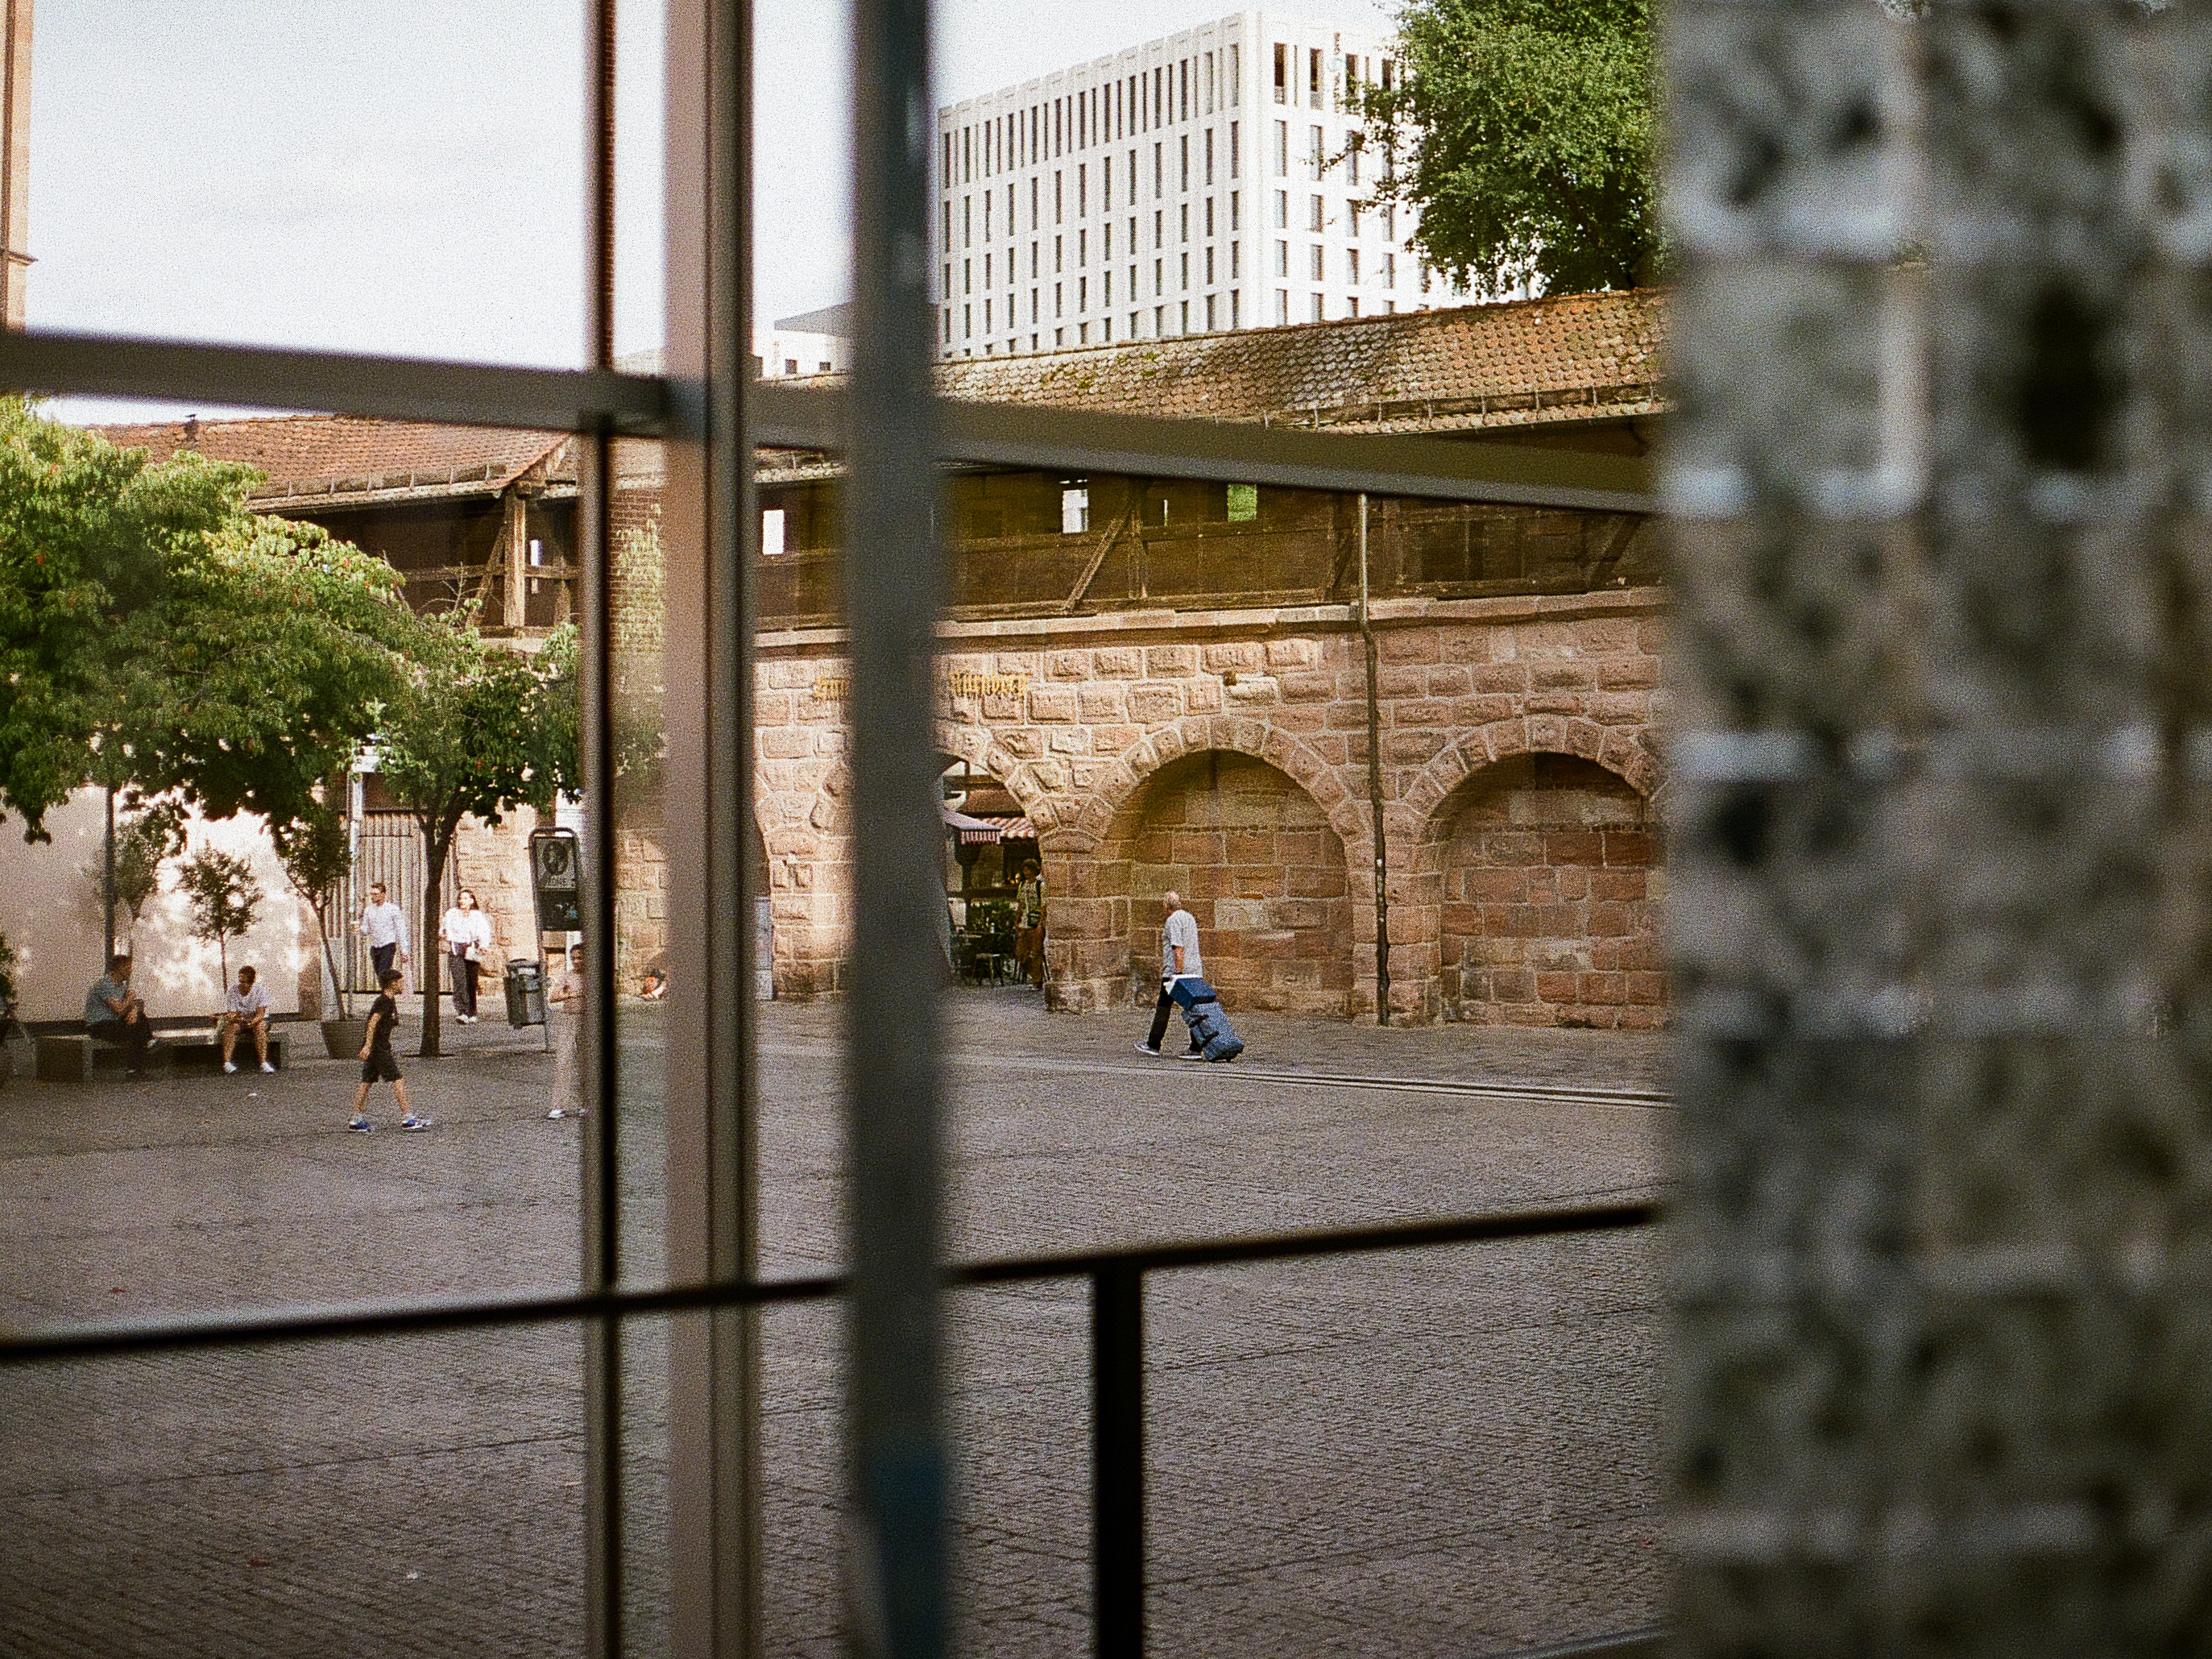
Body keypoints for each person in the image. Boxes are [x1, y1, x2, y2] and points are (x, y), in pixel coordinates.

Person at [349, 968, 428, 1132]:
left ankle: (356, 1119)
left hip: (378, 1047)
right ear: (392, 984)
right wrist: (368, 1045)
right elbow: (372, 1023)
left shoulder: (389, 1000)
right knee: (397, 1079)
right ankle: (408, 1118)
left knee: (366, 1082)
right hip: (379, 1049)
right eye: (401, 982)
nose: (403, 985)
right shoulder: (384, 1001)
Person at [1136, 891, 1206, 1059]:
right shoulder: (1190, 918)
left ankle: (1153, 1044)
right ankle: (1196, 1047)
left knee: (1163, 1006)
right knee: (1192, 1007)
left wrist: (1177, 973)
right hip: (1195, 970)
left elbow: (1177, 948)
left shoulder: (1173, 920)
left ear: (1166, 905)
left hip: (1176, 972)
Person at [85, 954, 157, 1075]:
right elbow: (118, 1009)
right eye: (128, 967)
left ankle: (137, 1062)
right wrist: (130, 998)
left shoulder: (121, 986)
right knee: (138, 1030)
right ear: (119, 968)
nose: (130, 970)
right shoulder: (104, 984)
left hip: (113, 1024)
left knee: (139, 1019)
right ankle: (136, 1064)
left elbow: (131, 1005)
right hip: (99, 1026)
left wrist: (134, 1011)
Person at [439, 887, 495, 1024]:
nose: (461, 901)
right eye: (460, 898)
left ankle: (472, 1011)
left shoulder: (477, 915)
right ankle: (462, 1011)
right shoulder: (452, 913)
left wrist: (483, 945)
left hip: (471, 949)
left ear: (471, 900)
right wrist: (442, 933)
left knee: (471, 981)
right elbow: (444, 927)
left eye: (465, 898)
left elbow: (484, 931)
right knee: (459, 981)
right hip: (455, 948)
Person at [548, 943, 586, 1116]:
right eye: (573, 958)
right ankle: (559, 1104)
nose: (576, 961)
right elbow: (554, 997)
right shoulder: (567, 977)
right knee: (564, 1061)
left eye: (580, 957)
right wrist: (571, 994)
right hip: (569, 1019)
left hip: (588, 1021)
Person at [218, 964, 274, 1074]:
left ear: (251, 983)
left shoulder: (261, 991)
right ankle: (227, 1063)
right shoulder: (232, 991)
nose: (241, 984)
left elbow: (260, 1014)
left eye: (244, 982)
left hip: (258, 1019)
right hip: (241, 1020)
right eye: (240, 981)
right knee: (230, 1027)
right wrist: (239, 1020)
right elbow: (232, 1014)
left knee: (259, 1027)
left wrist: (252, 1022)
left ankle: (263, 1063)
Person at [358, 881, 410, 985]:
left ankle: (386, 997)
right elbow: (366, 929)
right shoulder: (368, 910)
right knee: (380, 976)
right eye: (371, 894)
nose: (373, 897)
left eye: (375, 894)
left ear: (383, 894)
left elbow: (401, 929)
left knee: (384, 972)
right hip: (375, 946)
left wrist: (404, 950)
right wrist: (359, 929)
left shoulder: (392, 909)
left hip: (388, 945)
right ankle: (387, 996)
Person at [1014, 859, 1047, 990]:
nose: (1026, 873)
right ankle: (1035, 973)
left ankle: (1037, 981)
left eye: (1028, 870)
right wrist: (1016, 921)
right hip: (1024, 923)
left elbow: (1044, 906)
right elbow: (1021, 904)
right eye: (1025, 871)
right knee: (1020, 953)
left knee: (1036, 952)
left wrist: (1041, 924)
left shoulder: (1040, 886)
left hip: (1035, 923)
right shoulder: (1022, 885)